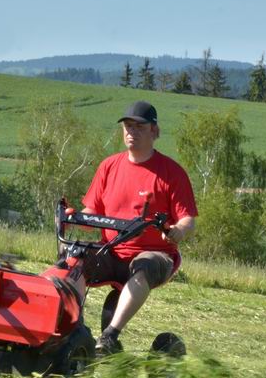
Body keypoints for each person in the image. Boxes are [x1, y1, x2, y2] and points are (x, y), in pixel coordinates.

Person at [79, 100, 198, 354]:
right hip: (111, 250)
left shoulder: (171, 173)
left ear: (155, 131)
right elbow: (92, 211)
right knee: (74, 259)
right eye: (127, 126)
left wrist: (178, 230)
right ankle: (69, 329)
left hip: (155, 254)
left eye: (139, 127)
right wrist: (79, 218)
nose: (131, 132)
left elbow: (188, 220)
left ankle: (110, 336)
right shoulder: (109, 166)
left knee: (142, 266)